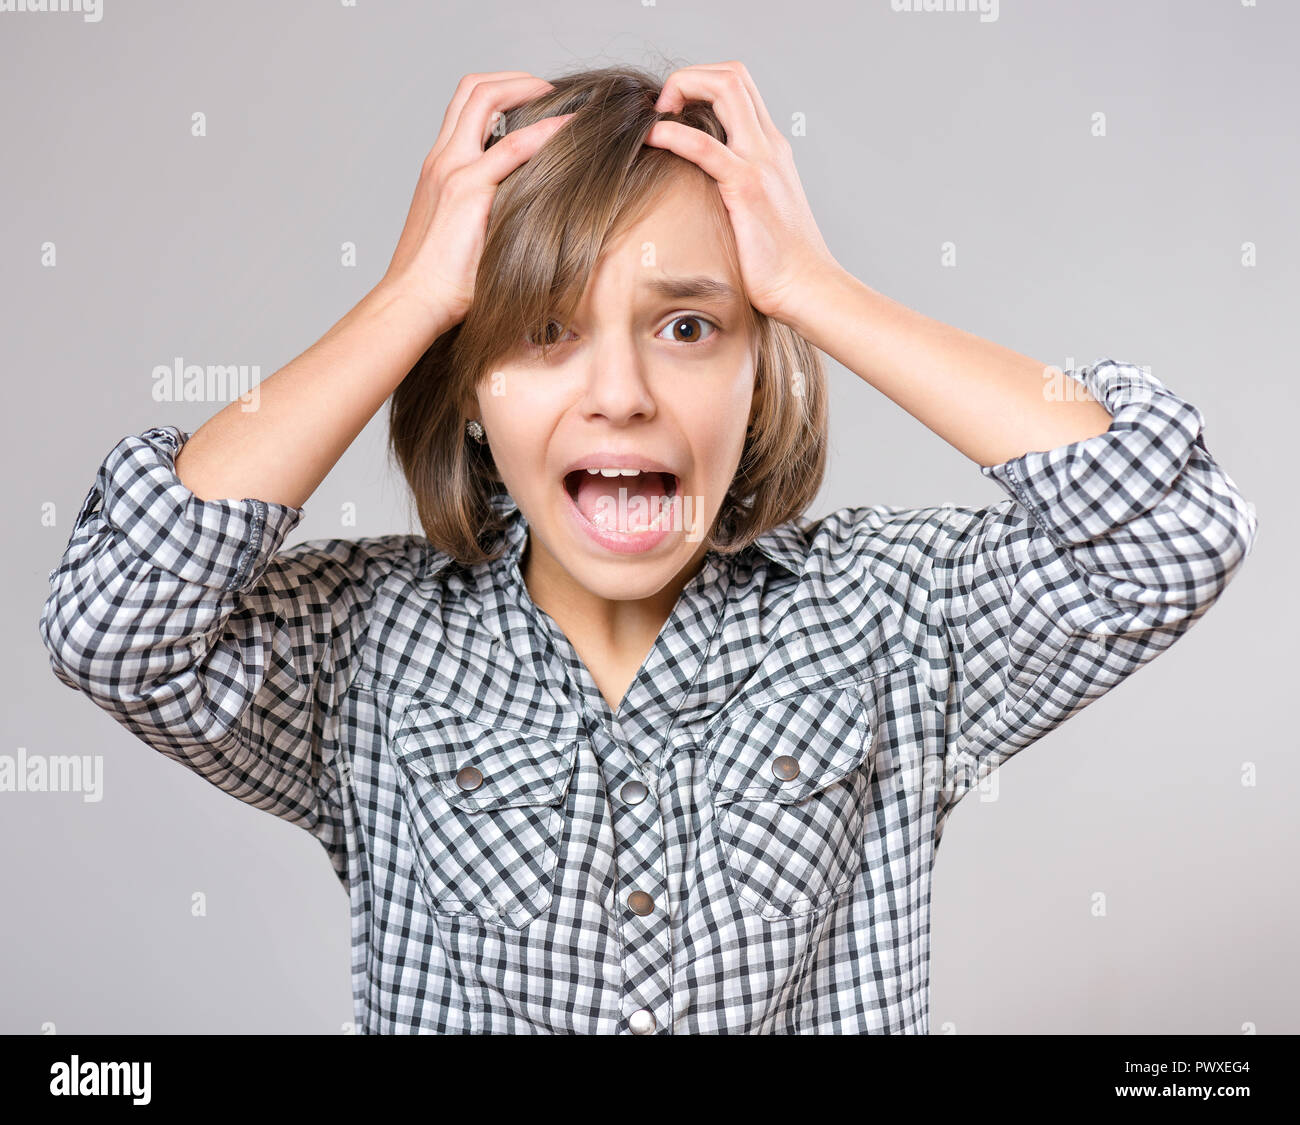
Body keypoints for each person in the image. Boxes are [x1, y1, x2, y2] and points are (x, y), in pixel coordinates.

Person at [37, 62, 1258, 1033]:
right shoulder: (368, 648)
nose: (618, 393)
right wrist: (408, 301)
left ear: (756, 366)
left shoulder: (890, 618)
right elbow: (113, 627)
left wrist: (818, 289)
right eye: (543, 333)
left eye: (687, 325)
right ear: (467, 387)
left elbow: (1168, 532)